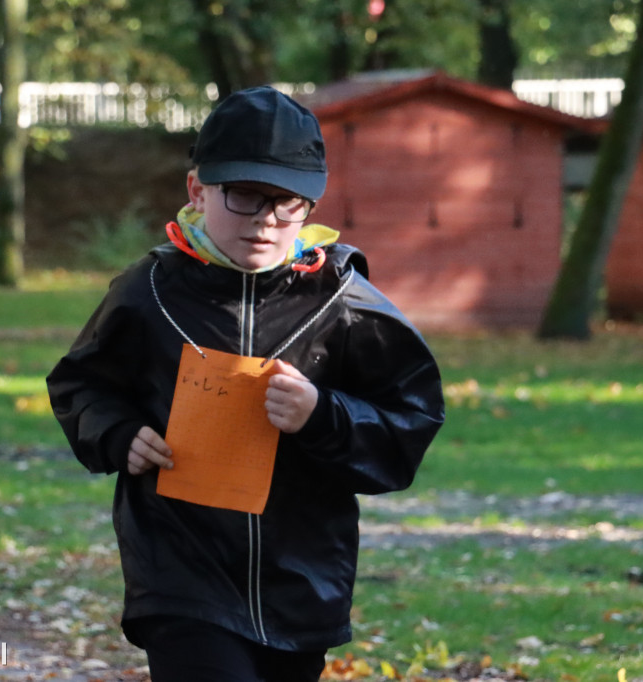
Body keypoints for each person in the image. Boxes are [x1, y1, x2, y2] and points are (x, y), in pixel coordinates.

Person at [46, 85, 445, 681]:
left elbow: (408, 422)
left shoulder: (344, 302)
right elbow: (81, 385)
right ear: (197, 190)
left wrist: (323, 413)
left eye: (288, 203)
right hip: (180, 572)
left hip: (302, 579)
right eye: (244, 196)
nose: (265, 220)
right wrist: (119, 433)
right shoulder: (148, 291)